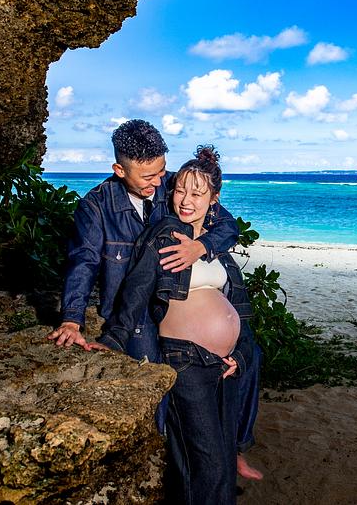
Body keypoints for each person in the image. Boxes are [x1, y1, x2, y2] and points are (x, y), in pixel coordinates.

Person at [47, 120, 262, 480]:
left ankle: (236, 447)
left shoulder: (173, 187)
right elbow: (83, 262)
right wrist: (72, 318)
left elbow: (226, 225)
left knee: (250, 355)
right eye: (148, 176)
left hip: (172, 302)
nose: (159, 182)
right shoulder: (96, 207)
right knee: (154, 384)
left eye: (162, 171)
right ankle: (163, 464)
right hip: (135, 313)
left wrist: (201, 246)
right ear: (120, 170)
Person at [92, 146, 252, 504]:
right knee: (206, 466)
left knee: (224, 463)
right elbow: (136, 289)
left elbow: (241, 310)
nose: (185, 200)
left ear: (214, 200)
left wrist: (240, 355)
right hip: (186, 361)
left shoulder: (216, 246)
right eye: (180, 190)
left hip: (225, 366)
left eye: (197, 194)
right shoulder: (164, 234)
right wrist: (114, 338)